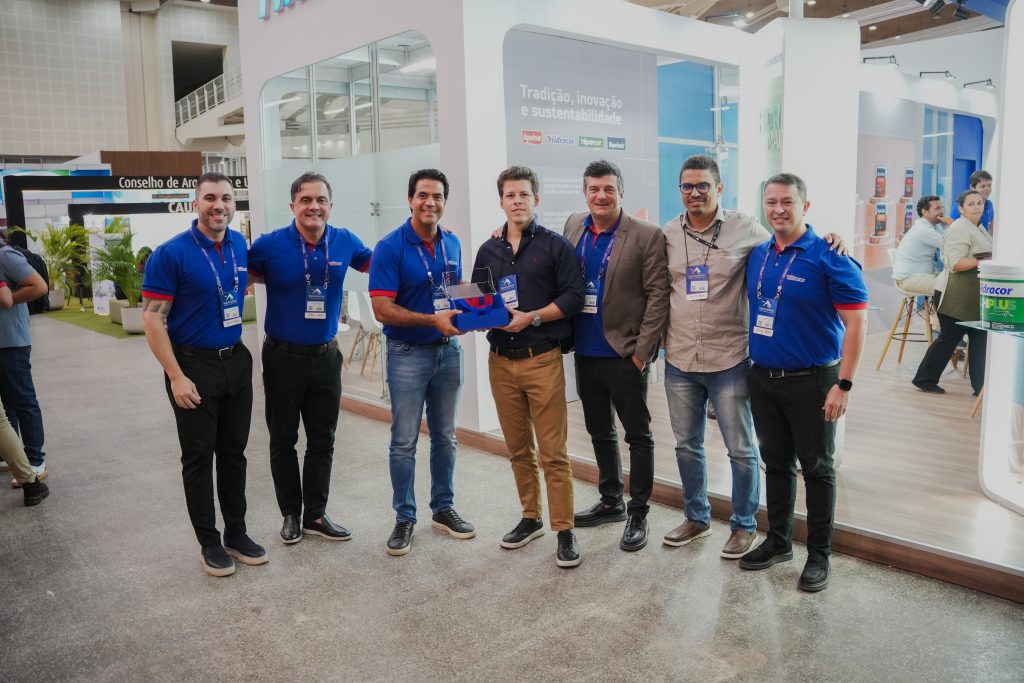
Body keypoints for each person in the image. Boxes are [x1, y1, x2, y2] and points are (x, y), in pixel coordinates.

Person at [738, 173, 868, 593]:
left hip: (813, 381)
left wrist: (843, 385)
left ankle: (818, 555)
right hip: (763, 376)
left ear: (805, 206)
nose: (778, 209)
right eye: (771, 202)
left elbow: (856, 324)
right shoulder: (758, 254)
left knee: (817, 469)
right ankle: (778, 541)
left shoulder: (830, 256)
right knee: (775, 463)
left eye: (787, 202)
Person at [141, 172, 267, 577]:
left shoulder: (239, 244)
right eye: (210, 198)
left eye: (226, 198)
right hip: (192, 367)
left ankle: (237, 533)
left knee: (234, 454)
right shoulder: (171, 254)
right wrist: (176, 376)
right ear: (196, 203)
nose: (219, 205)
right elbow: (152, 320)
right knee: (198, 458)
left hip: (236, 360)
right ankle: (209, 542)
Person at [248, 172, 372, 545]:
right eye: (305, 200)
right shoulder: (269, 245)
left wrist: (435, 234)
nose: (313, 206)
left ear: (330, 205)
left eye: (320, 200)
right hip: (282, 358)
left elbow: (381, 263)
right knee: (282, 440)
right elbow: (241, 276)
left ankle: (315, 514)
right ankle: (291, 513)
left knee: (323, 440)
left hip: (325, 358)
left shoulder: (345, 241)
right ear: (293, 206)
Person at [473, 165, 585, 568]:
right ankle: (530, 517)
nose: (517, 201)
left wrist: (532, 317)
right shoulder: (488, 250)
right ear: (501, 201)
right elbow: (480, 298)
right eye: (510, 195)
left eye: (524, 194)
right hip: (500, 362)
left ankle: (565, 529)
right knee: (519, 449)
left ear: (536, 199)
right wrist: (474, 316)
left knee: (553, 452)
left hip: (542, 361)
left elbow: (574, 296)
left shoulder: (556, 246)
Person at [660, 155, 766, 559]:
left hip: (729, 358)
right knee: (687, 445)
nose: (695, 193)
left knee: (740, 448)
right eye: (687, 186)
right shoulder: (668, 233)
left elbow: (787, 244)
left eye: (703, 185)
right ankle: (696, 517)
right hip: (680, 357)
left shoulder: (745, 228)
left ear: (719, 188)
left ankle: (744, 525)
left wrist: (831, 238)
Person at [566, 159, 670, 552]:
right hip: (585, 351)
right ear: (585, 193)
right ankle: (611, 501)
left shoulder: (645, 234)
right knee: (599, 431)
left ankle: (638, 512)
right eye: (593, 189)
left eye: (608, 188)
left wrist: (642, 354)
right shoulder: (573, 226)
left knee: (638, 435)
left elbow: (658, 296)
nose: (601, 195)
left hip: (625, 355)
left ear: (621, 192)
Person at [369, 168, 474, 556]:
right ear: (410, 199)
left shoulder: (452, 242)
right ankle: (404, 517)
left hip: (448, 353)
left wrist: (476, 313)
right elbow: (382, 309)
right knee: (404, 441)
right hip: (407, 354)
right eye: (423, 195)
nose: (431, 202)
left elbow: (455, 293)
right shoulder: (390, 247)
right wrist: (433, 321)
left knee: (446, 436)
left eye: (438, 196)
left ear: (445, 201)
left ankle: (443, 508)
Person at [912, 189, 991, 396]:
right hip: (953, 294)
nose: (977, 207)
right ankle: (924, 379)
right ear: (961, 208)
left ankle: (981, 388)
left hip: (970, 294)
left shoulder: (978, 226)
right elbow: (955, 263)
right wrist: (984, 261)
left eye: (980, 203)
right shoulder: (959, 228)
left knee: (980, 337)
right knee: (949, 338)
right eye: (971, 204)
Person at [0, 234, 49, 488]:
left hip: (12, 342)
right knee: (6, 405)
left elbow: (39, 286)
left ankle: (35, 460)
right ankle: (11, 456)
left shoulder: (5, 255)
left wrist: (9, 300)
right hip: (4, 341)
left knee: (22, 400)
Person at [893, 195, 949, 297]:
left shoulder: (934, 226)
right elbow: (950, 244)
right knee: (951, 286)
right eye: (937, 208)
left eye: (941, 207)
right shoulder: (923, 229)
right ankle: (942, 308)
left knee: (955, 281)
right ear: (925, 212)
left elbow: (949, 240)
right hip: (908, 279)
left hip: (922, 275)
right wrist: (952, 225)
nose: (941, 211)